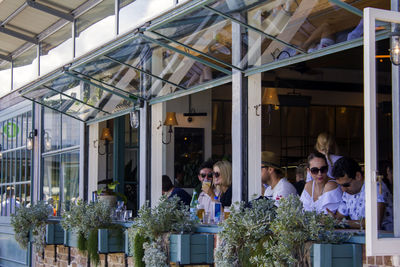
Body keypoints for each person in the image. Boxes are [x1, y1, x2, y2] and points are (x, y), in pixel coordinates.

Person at [330, 157, 393, 231]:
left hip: (386, 238)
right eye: (340, 185)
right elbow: (339, 217)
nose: (343, 189)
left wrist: (341, 223)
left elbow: (374, 223)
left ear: (358, 176)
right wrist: (332, 219)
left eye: (346, 185)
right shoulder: (348, 192)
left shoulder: (375, 186)